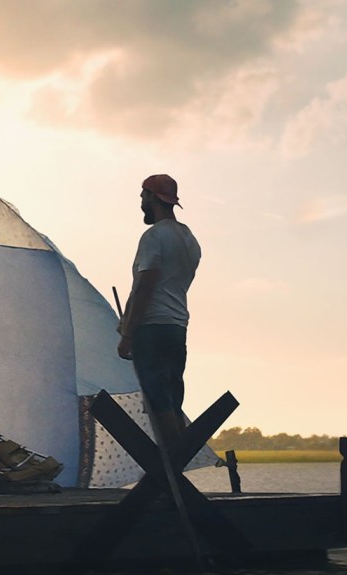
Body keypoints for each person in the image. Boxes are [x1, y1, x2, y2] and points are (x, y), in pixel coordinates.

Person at [117, 173, 201, 461]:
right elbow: (158, 284)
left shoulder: (154, 237)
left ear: (152, 197)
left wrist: (127, 333)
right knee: (173, 397)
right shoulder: (189, 239)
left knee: (156, 397)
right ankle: (177, 461)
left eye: (143, 195)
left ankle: (172, 464)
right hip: (177, 326)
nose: (140, 201)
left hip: (151, 327)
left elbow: (145, 286)